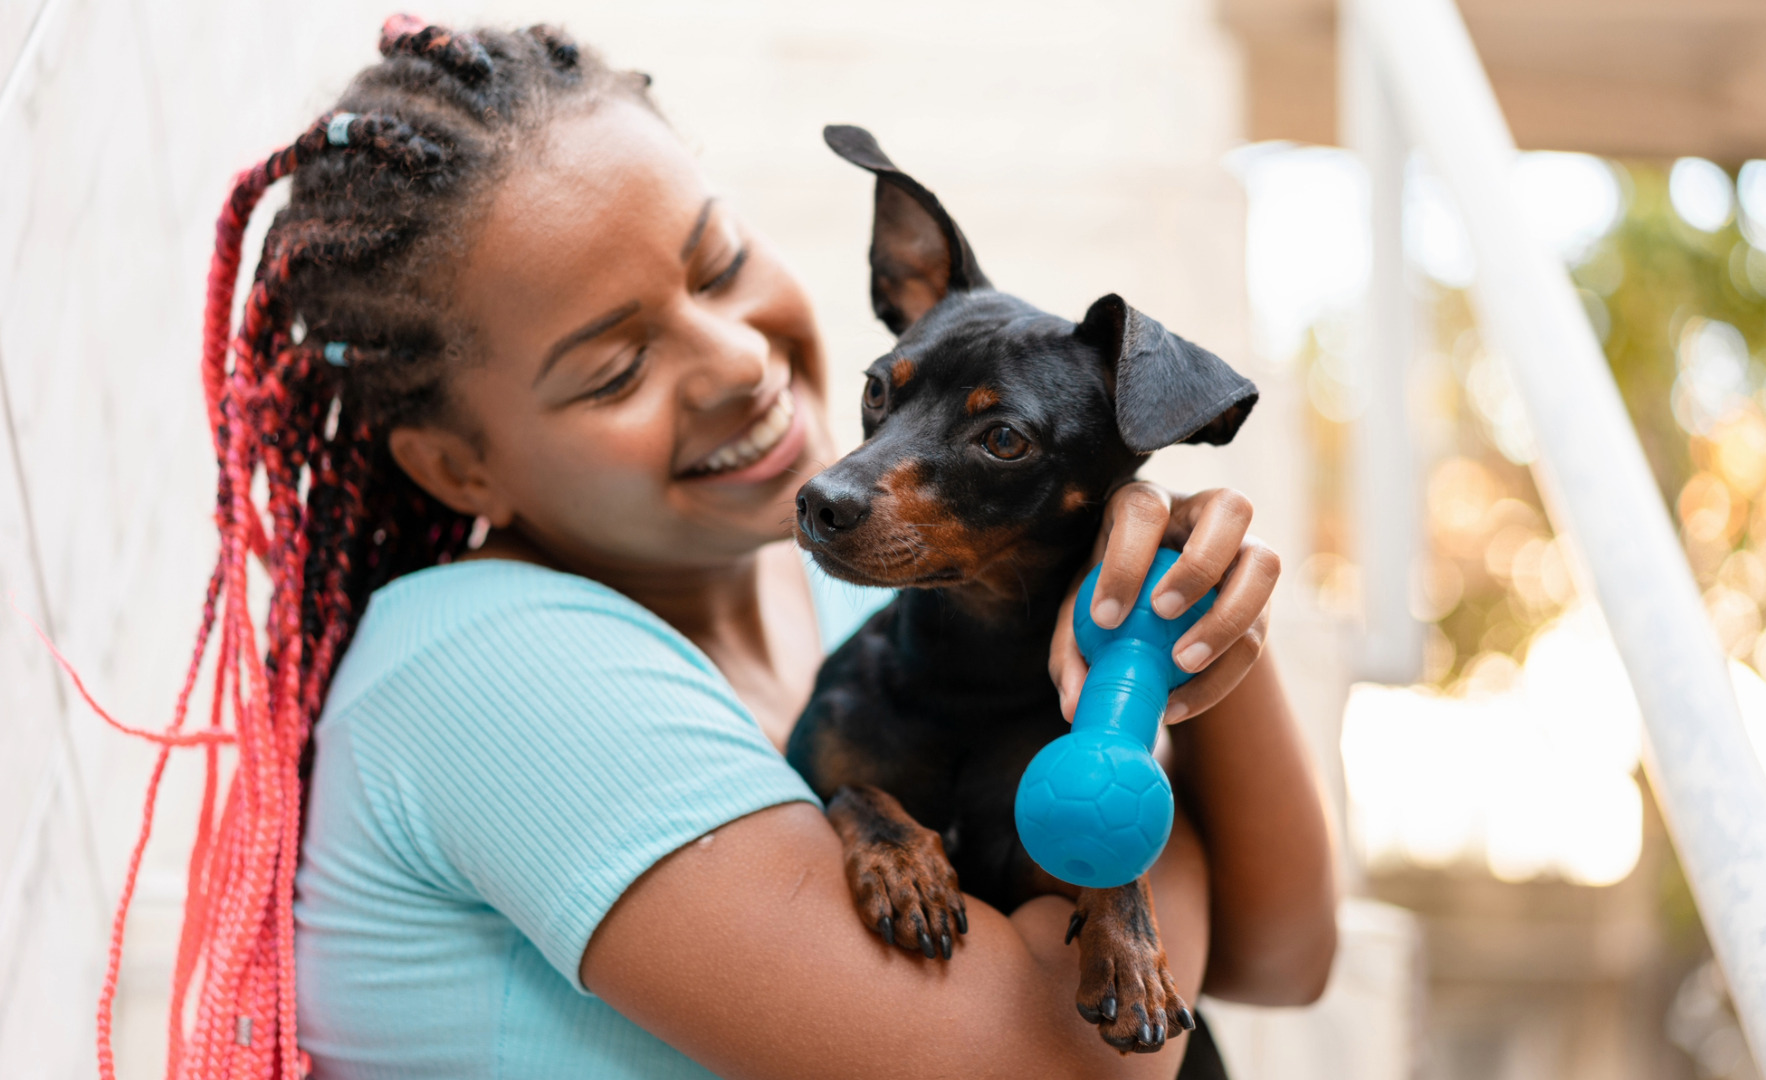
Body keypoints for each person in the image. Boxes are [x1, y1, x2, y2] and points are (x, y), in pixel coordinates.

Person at [110, 17, 1336, 1080]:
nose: (740, 360)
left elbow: (1286, 957)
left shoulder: (866, 604)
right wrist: (1119, 804)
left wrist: (1169, 619)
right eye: (617, 366)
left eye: (721, 261)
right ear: (458, 468)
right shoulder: (488, 671)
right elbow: (1042, 1067)